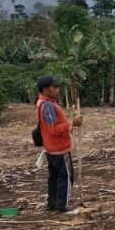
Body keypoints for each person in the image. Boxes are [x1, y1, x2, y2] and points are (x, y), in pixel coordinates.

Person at [35, 75, 82, 212]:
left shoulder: (42, 103)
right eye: (54, 87)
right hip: (59, 148)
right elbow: (53, 129)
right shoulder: (48, 105)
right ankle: (61, 206)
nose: (57, 90)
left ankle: (53, 203)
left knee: (54, 176)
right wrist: (72, 124)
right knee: (66, 176)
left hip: (51, 147)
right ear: (45, 89)